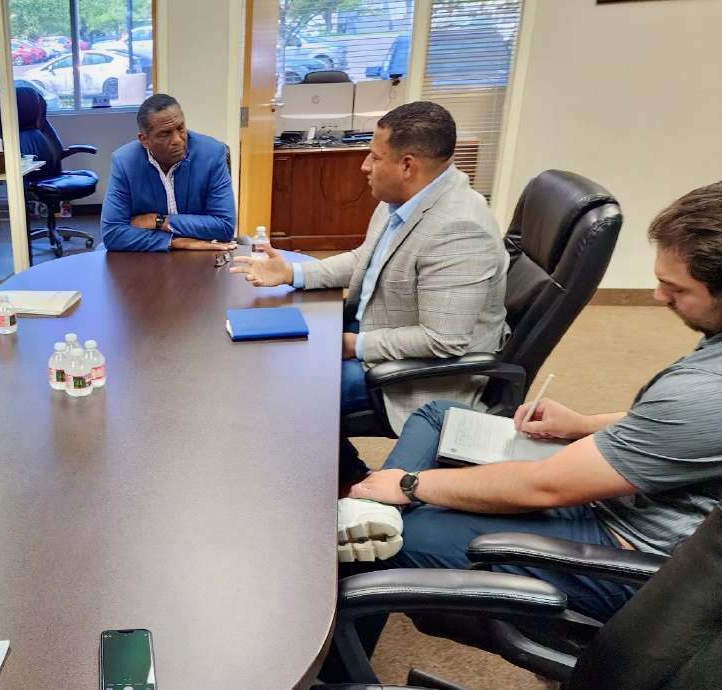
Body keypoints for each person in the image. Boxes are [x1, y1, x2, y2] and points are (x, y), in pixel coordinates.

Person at [324, 181, 722, 679]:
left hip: (630, 554)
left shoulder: (707, 390)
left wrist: (410, 484)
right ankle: (379, 507)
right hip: (624, 488)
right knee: (439, 417)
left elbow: (545, 486)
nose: (658, 296)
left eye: (677, 289)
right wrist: (582, 425)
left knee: (377, 538)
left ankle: (338, 677)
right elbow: (683, 431)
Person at [231, 101, 507, 439]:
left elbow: (442, 340)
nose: (364, 166)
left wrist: (352, 345)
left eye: (374, 157)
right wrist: (290, 273)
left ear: (407, 166)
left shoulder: (459, 229)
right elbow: (365, 259)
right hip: (375, 329)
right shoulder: (405, 199)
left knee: (282, 392)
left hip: (413, 377)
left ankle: (343, 469)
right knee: (270, 356)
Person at [101, 93, 237, 252]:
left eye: (180, 128)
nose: (178, 140)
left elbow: (224, 227)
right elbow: (112, 234)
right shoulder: (125, 162)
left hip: (202, 255)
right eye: (165, 134)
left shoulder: (212, 154)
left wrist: (159, 221)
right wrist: (173, 242)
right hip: (149, 257)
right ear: (144, 139)